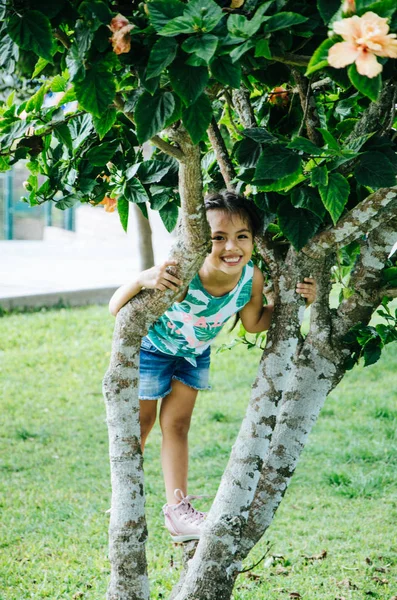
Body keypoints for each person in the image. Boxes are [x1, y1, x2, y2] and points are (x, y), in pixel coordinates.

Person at [109, 191, 316, 542]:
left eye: (242, 237)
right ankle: (125, 498)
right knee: (139, 424)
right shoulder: (181, 272)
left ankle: (177, 512)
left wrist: (296, 302)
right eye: (218, 237)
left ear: (253, 240)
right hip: (152, 351)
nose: (231, 247)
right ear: (201, 240)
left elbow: (254, 322)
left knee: (177, 425)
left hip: (193, 356)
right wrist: (143, 280)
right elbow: (117, 306)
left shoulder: (251, 279)